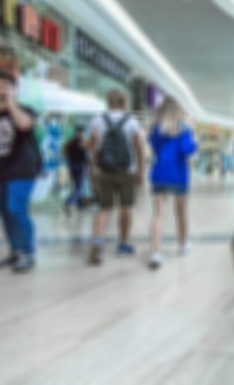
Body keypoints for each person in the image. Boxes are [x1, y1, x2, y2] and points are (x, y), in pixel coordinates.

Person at [0, 69, 42, 273]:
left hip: (22, 169)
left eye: (4, 85)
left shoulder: (26, 110)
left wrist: (11, 101)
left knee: (16, 208)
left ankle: (28, 253)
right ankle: (15, 251)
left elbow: (23, 125)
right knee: (3, 212)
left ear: (13, 88)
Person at [87, 88, 145, 265]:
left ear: (108, 103)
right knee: (125, 208)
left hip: (104, 171)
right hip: (126, 172)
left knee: (104, 208)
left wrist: (95, 168)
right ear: (124, 103)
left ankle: (98, 242)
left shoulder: (97, 120)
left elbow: (92, 146)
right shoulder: (132, 122)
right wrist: (140, 171)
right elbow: (139, 148)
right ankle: (123, 244)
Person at [147, 97, 197, 269]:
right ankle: (182, 245)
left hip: (159, 174)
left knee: (158, 214)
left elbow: (153, 147)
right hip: (179, 175)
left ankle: (155, 253)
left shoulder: (155, 128)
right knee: (181, 212)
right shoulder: (184, 128)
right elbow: (188, 150)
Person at [62, 125, 88, 215]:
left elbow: (64, 154)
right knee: (79, 188)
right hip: (80, 166)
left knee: (78, 186)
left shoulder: (69, 143)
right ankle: (68, 202)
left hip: (72, 165)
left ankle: (81, 206)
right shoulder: (82, 143)